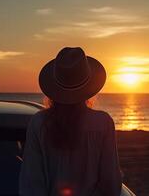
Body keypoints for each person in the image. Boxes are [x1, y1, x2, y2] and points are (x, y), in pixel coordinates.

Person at [20, 47, 122, 196]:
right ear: (88, 86)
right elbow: (111, 184)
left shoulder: (39, 123)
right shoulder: (102, 123)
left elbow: (31, 184)